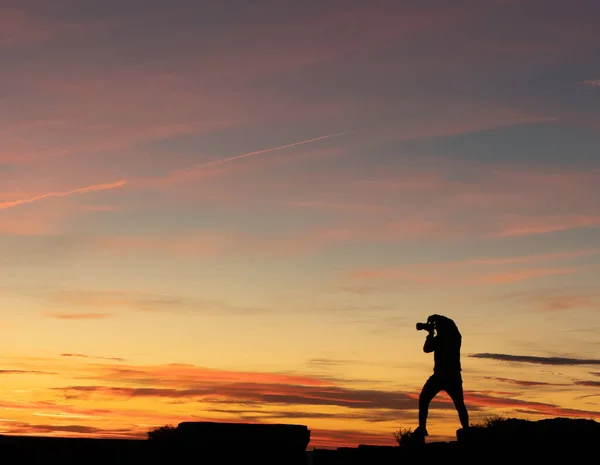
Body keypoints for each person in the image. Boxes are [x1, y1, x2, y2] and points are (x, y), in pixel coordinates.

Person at [414, 314, 469, 438]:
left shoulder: (450, 337)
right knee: (458, 404)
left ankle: (466, 429)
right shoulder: (450, 337)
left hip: (446, 376)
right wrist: (431, 332)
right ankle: (467, 430)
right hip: (446, 376)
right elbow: (427, 348)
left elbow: (427, 348)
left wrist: (431, 332)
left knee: (458, 404)